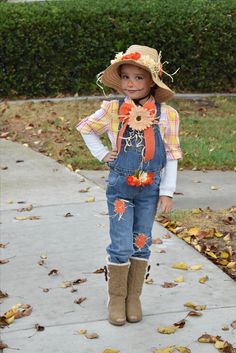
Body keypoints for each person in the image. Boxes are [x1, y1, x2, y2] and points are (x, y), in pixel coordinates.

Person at [76, 45, 182, 326]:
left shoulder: (167, 115)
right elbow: (85, 128)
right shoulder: (112, 110)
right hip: (121, 190)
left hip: (150, 191)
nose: (131, 84)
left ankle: (133, 298)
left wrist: (167, 191)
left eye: (138, 77)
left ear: (152, 81)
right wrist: (101, 153)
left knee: (141, 241)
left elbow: (171, 155)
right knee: (121, 244)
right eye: (126, 77)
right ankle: (116, 297)